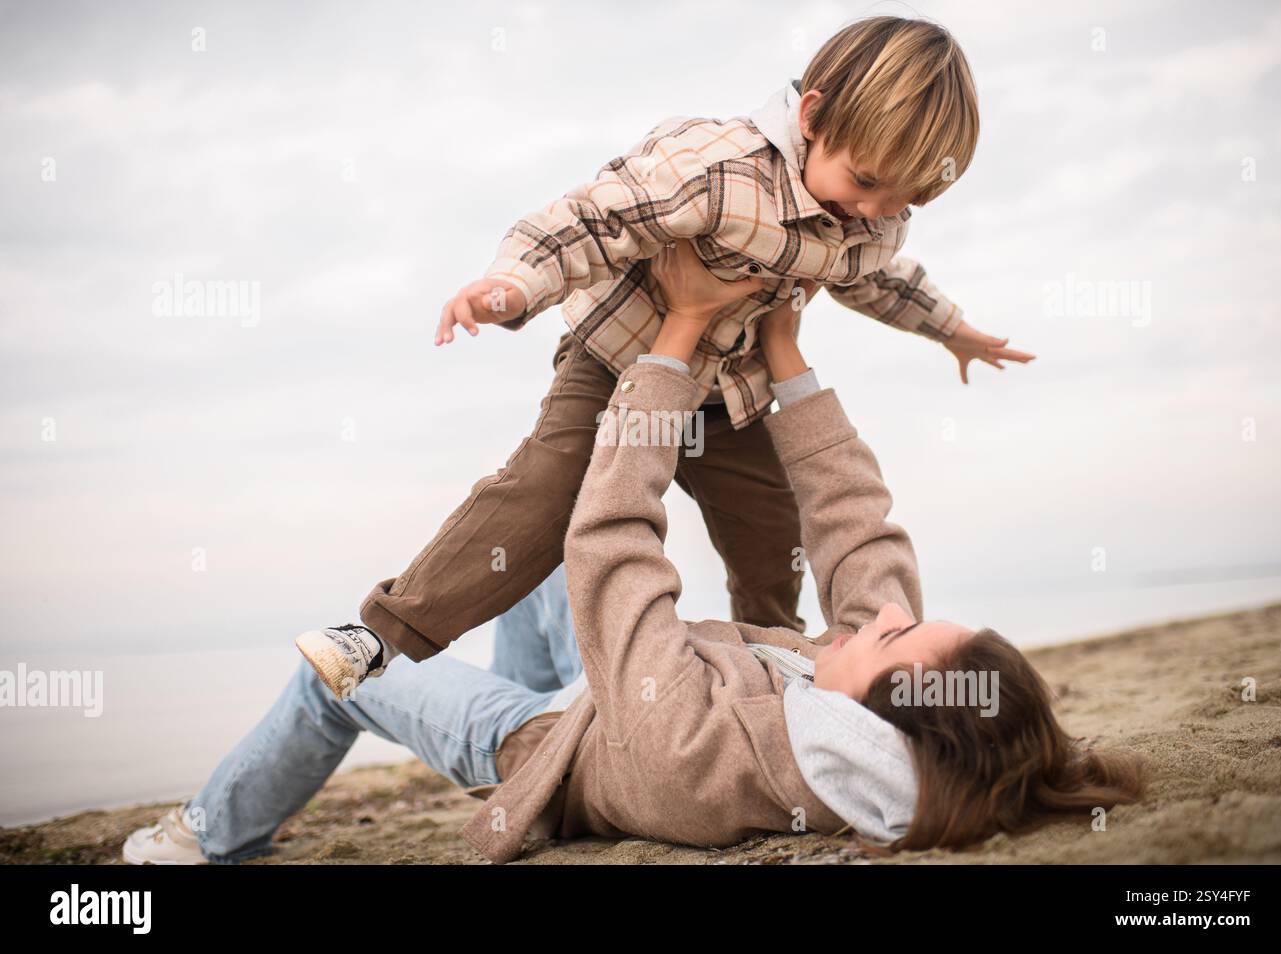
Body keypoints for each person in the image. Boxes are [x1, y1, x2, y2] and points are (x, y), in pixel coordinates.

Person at [124, 244, 1135, 866]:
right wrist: (783, 347)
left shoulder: (713, 757)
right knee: (537, 549)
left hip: (544, 746)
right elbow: (855, 521)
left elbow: (616, 544)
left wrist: (681, 334)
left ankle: (209, 838)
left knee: (340, 662)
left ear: (869, 709)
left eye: (890, 638)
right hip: (603, 696)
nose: (876, 615)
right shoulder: (877, 709)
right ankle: (480, 661)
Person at [292, 15, 1034, 702]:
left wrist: (951, 329)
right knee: (547, 489)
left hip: (728, 397)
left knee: (771, 533)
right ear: (811, 119)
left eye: (903, 198)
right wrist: (513, 286)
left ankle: (778, 663)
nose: (873, 211)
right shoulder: (715, 168)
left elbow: (879, 279)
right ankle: (382, 634)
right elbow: (592, 220)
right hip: (619, 364)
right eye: (866, 182)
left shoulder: (873, 219)